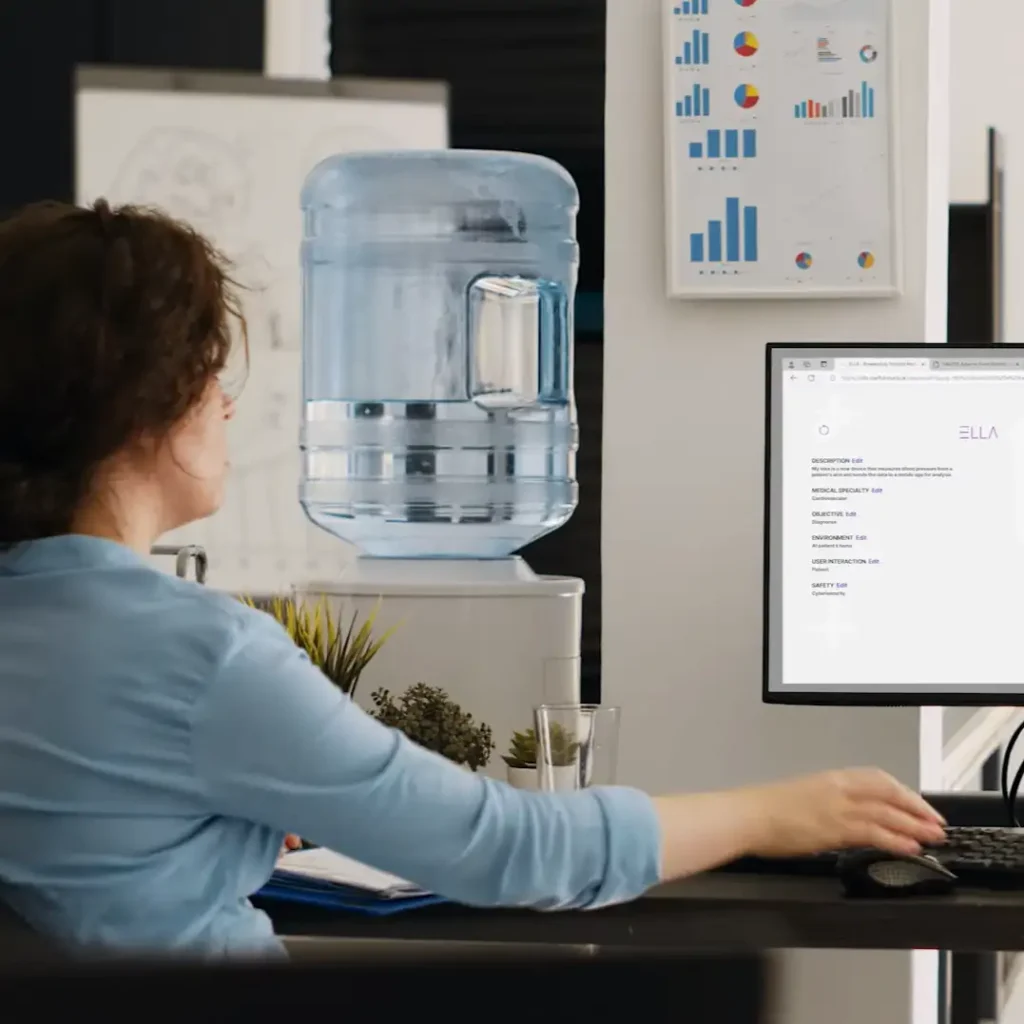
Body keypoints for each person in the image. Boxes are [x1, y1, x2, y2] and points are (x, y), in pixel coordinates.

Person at [0, 200, 945, 958]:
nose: (229, 402)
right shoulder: (204, 656)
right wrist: (776, 810)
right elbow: (510, 849)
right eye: (210, 375)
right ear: (144, 411)